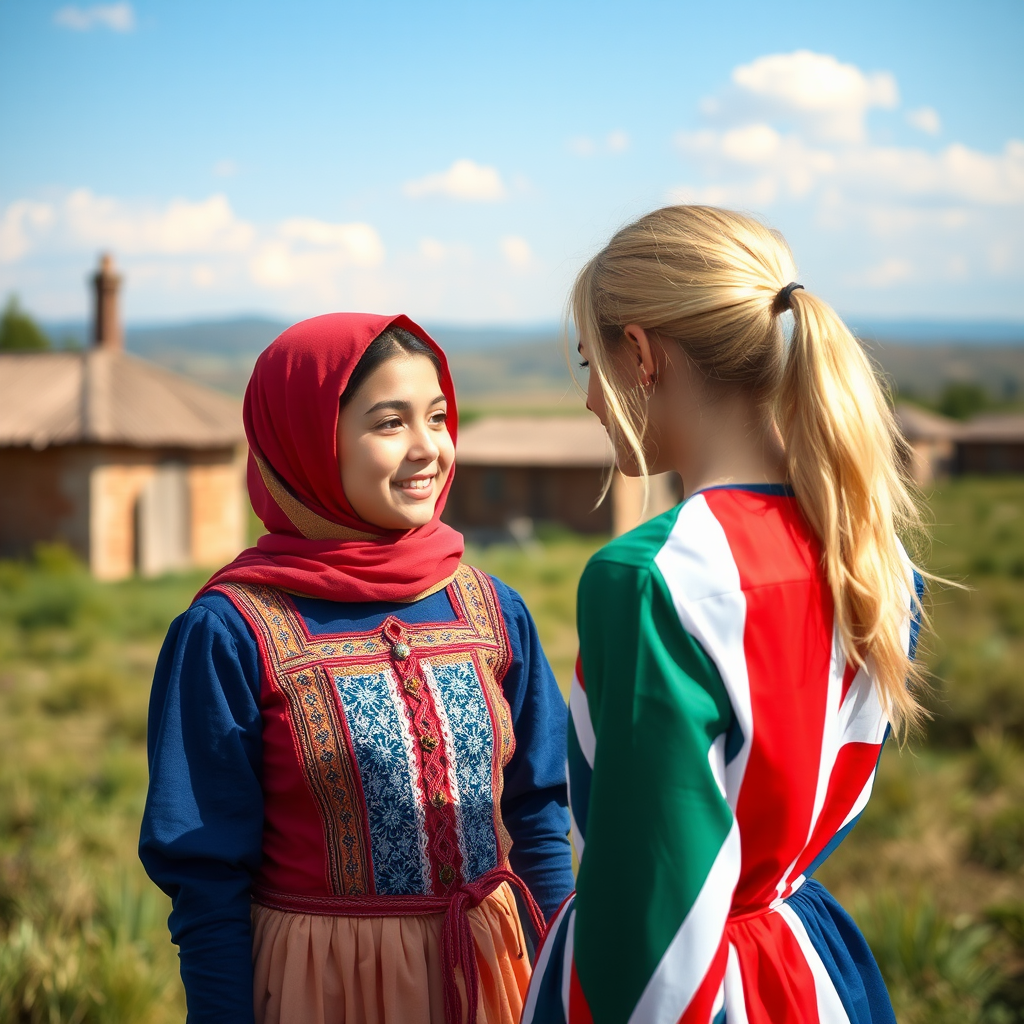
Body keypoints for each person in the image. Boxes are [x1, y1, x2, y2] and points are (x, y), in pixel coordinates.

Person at [523, 206, 926, 1024]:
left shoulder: (649, 579)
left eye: (589, 361)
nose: (593, 399)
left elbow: (654, 924)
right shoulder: (876, 558)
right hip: (812, 969)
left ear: (640, 353)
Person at [140, 313, 574, 1024]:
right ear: (308, 441)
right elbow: (206, 877)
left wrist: (563, 985)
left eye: (437, 416)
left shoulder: (491, 610)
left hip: (496, 981)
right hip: (324, 991)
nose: (429, 448)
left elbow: (538, 813)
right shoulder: (231, 632)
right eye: (389, 423)